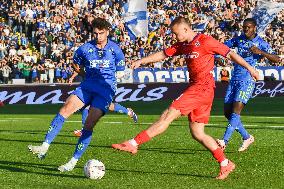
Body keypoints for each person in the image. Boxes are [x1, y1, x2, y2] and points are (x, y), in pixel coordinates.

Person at [112, 17, 259, 180]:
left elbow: (230, 54)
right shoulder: (183, 45)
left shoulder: (205, 41)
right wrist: (141, 61)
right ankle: (225, 163)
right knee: (197, 133)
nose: (175, 37)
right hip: (200, 90)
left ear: (186, 29)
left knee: (168, 114)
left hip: (201, 89)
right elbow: (163, 54)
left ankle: (133, 143)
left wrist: (250, 68)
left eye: (176, 34)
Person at [28, 18, 126, 172]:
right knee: (65, 109)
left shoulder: (116, 50)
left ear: (107, 31)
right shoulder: (85, 49)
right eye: (95, 33)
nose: (98, 37)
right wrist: (83, 73)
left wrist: (109, 80)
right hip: (87, 85)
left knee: (89, 124)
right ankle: (44, 146)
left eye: (101, 33)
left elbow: (121, 72)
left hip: (105, 90)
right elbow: (75, 63)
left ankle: (72, 162)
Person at [216, 18, 280, 152]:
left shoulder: (260, 43)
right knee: (227, 113)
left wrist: (261, 52)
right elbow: (221, 48)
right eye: (244, 27)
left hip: (248, 80)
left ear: (254, 28)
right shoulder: (237, 40)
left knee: (236, 110)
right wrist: (219, 58)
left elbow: (277, 58)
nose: (246, 29)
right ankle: (247, 137)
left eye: (249, 27)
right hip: (234, 79)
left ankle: (224, 140)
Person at [68, 71, 138, 137]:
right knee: (108, 106)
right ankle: (128, 112)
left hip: (102, 87)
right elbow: (79, 69)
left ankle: (84, 130)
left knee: (90, 106)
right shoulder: (89, 62)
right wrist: (72, 77)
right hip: (95, 87)